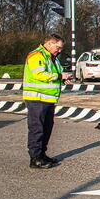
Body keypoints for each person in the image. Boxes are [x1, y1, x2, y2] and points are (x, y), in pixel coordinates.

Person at [22, 33, 71, 169]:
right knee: (37, 128)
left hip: (48, 99)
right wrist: (58, 76)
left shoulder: (52, 57)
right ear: (49, 44)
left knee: (47, 128)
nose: (59, 50)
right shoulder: (37, 55)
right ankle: (35, 158)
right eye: (58, 47)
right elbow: (39, 74)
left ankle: (42, 154)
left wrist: (62, 78)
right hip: (36, 98)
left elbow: (57, 72)